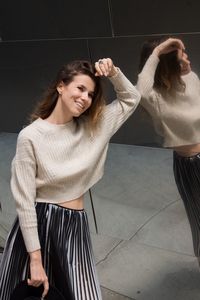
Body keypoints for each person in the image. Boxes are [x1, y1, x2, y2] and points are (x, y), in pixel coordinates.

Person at [0, 57, 141, 300]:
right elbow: (24, 200)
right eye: (80, 88)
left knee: (84, 294)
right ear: (61, 86)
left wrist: (114, 73)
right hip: (39, 228)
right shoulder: (31, 136)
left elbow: (131, 99)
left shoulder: (94, 127)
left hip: (74, 225)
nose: (85, 98)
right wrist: (35, 257)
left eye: (91, 94)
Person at [137, 37, 200, 264]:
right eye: (181, 54)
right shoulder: (154, 97)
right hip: (190, 165)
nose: (187, 57)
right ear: (167, 63)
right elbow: (140, 89)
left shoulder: (191, 79)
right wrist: (158, 52)